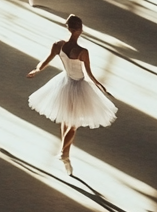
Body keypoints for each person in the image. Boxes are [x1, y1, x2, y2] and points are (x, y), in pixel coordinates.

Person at [26, 15, 116, 175]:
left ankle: (66, 156)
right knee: (73, 125)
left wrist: (37, 70)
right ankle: (62, 152)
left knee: (66, 119)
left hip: (64, 83)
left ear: (69, 28)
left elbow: (45, 62)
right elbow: (89, 73)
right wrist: (100, 86)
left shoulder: (57, 45)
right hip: (78, 86)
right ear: (80, 29)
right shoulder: (82, 51)